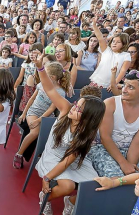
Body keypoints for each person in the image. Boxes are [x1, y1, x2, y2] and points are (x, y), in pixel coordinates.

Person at [31, 52, 106, 215]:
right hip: (52, 156)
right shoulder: (65, 110)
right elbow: (49, 88)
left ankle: (70, 201)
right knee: (68, 186)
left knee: (95, 184)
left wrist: (47, 178)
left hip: (70, 161)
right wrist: (40, 67)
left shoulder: (86, 133)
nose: (74, 108)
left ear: (88, 118)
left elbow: (68, 161)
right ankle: (45, 198)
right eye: (76, 104)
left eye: (79, 109)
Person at [90, 70, 139, 177]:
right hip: (102, 149)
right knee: (116, 177)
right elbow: (105, 137)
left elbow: (137, 143)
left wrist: (130, 165)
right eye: (124, 85)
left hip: (128, 151)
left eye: (130, 87)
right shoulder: (110, 104)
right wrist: (123, 164)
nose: (124, 90)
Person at [14, 62, 70, 169]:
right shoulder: (41, 85)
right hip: (33, 112)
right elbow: (31, 99)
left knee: (52, 135)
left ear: (52, 77)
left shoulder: (60, 92)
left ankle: (42, 156)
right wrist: (24, 113)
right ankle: (19, 154)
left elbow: (51, 109)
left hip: (47, 116)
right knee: (35, 132)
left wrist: (39, 120)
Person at [89, 16, 131, 89]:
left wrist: (114, 84)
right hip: (97, 81)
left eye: (118, 42)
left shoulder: (126, 55)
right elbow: (100, 38)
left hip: (110, 85)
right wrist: (94, 25)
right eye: (113, 41)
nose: (114, 43)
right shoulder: (106, 50)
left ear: (123, 44)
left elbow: (123, 71)